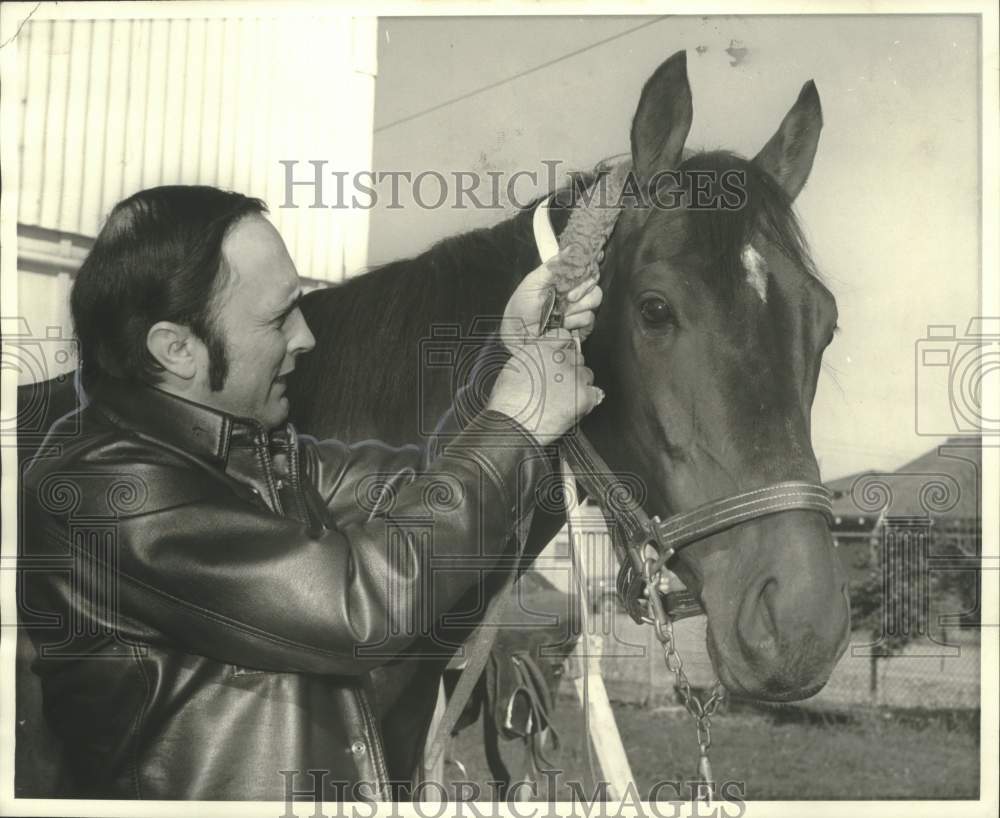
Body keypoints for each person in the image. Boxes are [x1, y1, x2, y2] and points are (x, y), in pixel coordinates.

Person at [19, 185, 603, 801]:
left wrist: (502, 353)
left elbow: (423, 493)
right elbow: (357, 605)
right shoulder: (105, 489)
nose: (306, 337)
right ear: (177, 349)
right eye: (278, 318)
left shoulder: (250, 456)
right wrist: (514, 425)